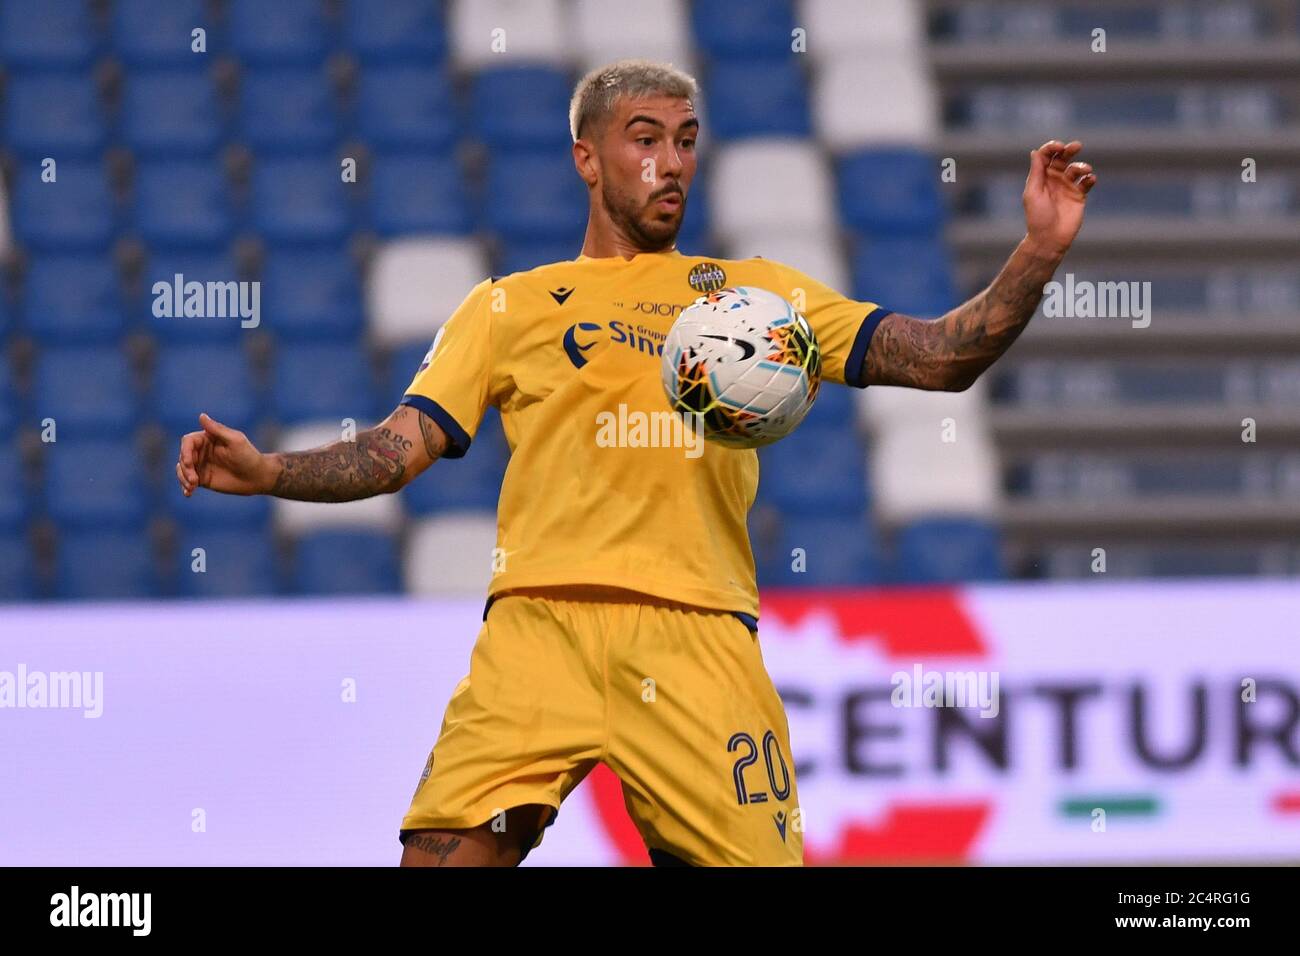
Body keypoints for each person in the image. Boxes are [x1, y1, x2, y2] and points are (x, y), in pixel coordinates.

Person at [175, 59, 1096, 866]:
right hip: (541, 629)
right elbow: (393, 451)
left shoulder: (760, 301)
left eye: (687, 141)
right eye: (644, 137)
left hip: (700, 636)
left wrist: (1039, 251)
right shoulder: (511, 308)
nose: (671, 161)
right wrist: (269, 475)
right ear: (587, 157)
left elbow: (940, 357)